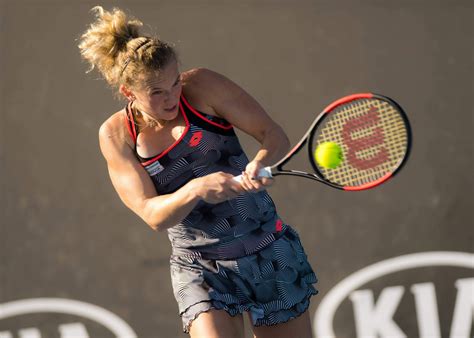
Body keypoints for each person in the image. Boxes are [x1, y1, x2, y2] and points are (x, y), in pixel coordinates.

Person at [78, 6, 317, 338]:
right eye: (156, 92)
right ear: (128, 93)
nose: (171, 96)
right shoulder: (117, 134)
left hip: (268, 250)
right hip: (201, 268)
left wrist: (260, 162)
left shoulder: (203, 86)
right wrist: (196, 189)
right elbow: (152, 214)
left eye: (174, 82)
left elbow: (273, 135)